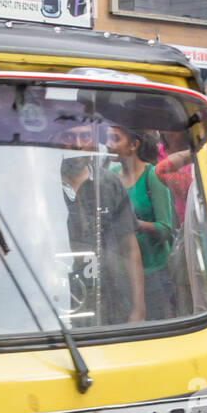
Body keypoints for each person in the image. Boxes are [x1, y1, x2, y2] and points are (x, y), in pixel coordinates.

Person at [58, 122, 146, 324]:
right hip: (58, 296)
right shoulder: (42, 186)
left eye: (85, 137)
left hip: (109, 299)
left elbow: (130, 248)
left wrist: (139, 308)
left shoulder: (109, 183)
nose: (77, 145)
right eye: (69, 138)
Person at [107, 124, 177, 319]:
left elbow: (166, 229)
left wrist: (133, 224)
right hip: (121, 274)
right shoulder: (111, 177)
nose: (107, 144)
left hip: (154, 274)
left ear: (133, 145)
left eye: (114, 139)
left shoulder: (152, 176)